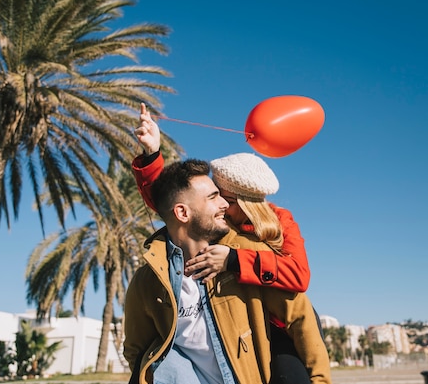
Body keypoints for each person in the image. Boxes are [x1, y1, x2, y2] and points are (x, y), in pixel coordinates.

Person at [132, 104, 319, 383]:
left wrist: (233, 260)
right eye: (215, 197)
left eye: (226, 200)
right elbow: (175, 203)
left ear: (246, 203)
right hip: (238, 326)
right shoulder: (220, 225)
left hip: (279, 328)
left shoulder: (281, 222)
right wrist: (152, 154)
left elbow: (299, 275)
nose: (220, 207)